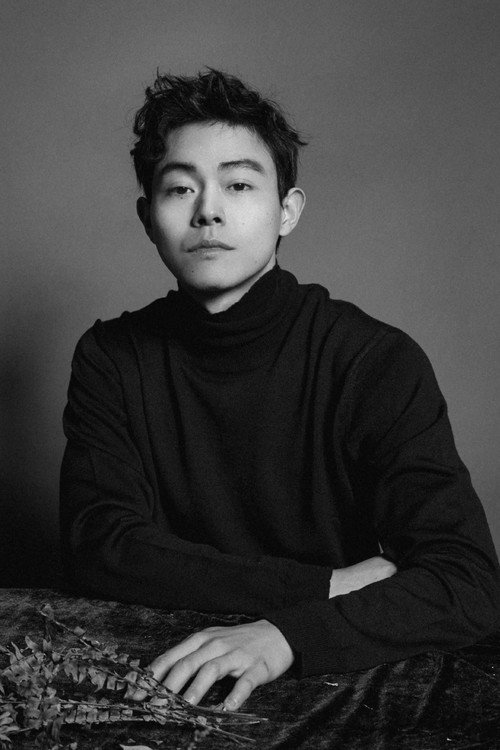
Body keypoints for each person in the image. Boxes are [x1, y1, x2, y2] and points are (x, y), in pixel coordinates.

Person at [60, 69, 500, 712]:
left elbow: (467, 582)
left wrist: (287, 636)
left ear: (287, 210)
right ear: (147, 217)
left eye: (239, 184)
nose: (208, 210)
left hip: (333, 667)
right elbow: (101, 548)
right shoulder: (111, 357)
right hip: (164, 668)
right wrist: (325, 585)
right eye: (179, 188)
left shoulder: (374, 360)